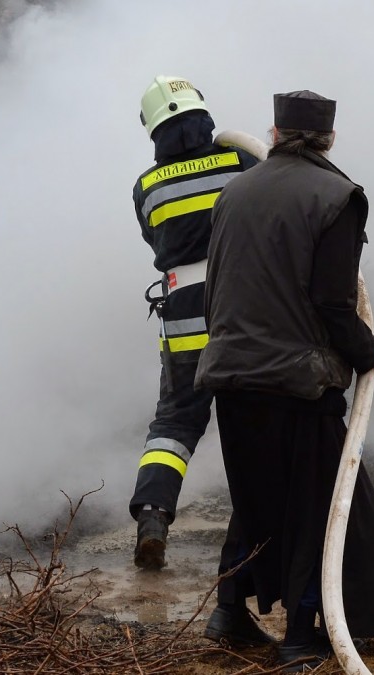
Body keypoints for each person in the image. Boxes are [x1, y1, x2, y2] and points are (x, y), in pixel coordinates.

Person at [195, 90, 374, 670]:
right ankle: (298, 637)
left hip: (230, 372)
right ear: (330, 139)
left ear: (274, 131)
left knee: (254, 492)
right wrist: (369, 353)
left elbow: (216, 285)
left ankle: (229, 613)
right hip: (297, 382)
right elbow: (334, 303)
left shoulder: (235, 190)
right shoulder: (338, 196)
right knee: (311, 503)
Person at [129, 75, 272, 647]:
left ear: (154, 128)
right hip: (242, 310)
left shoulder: (145, 185)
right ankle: (256, 539)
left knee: (176, 422)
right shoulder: (240, 157)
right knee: (250, 420)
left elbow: (154, 241)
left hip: (184, 316)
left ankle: (153, 515)